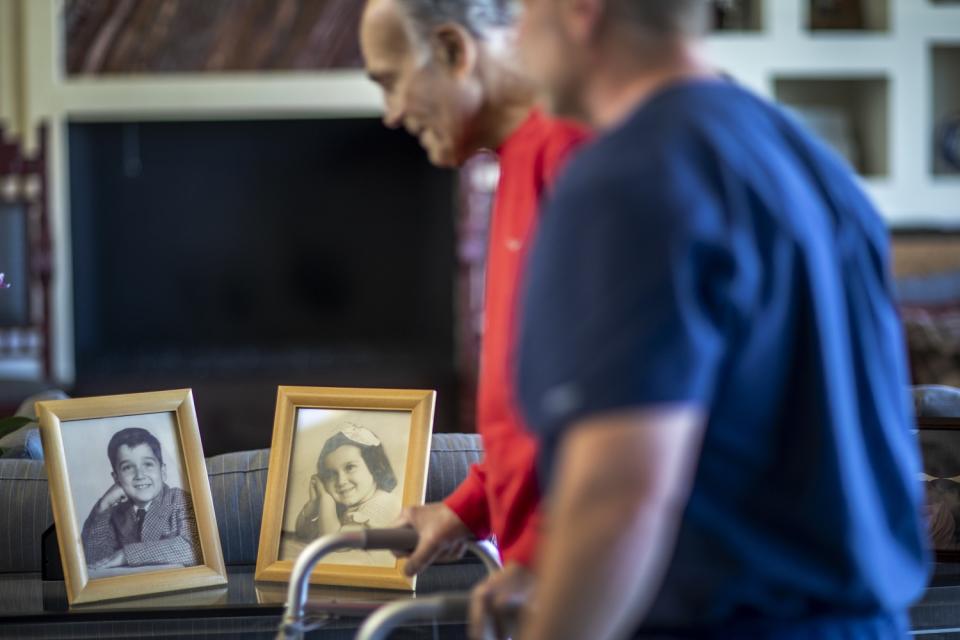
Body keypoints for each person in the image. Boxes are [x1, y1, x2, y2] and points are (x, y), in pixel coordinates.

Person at [510, 1, 930, 638]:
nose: (514, 34)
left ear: (580, 11)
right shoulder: (811, 163)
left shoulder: (628, 179)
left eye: (520, 7)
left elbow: (618, 495)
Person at [358, 0, 589, 628]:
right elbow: (539, 405)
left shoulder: (575, 152)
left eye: (390, 80)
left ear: (456, 53)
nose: (392, 113)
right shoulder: (514, 159)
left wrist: (545, 571)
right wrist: (464, 509)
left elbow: (617, 411)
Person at [82, 427, 201, 570]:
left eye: (148, 464)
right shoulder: (116, 513)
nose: (139, 475)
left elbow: (194, 548)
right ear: (116, 478)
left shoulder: (179, 500)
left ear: (163, 471)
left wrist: (127, 555)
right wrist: (103, 506)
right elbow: (94, 559)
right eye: (127, 468)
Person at [294, 424, 401, 538]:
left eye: (350, 467)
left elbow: (333, 542)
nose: (341, 481)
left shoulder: (384, 504)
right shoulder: (345, 507)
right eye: (331, 474)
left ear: (373, 467)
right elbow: (303, 534)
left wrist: (326, 498)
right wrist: (313, 505)